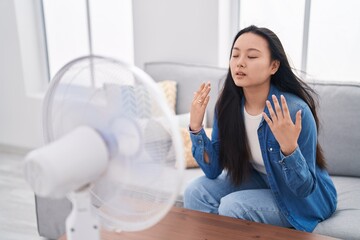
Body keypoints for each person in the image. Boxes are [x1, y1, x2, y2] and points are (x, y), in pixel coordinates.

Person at [184, 25, 337, 232]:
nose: (240, 63)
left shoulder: (294, 111)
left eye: (252, 56)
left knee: (233, 206)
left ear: (273, 66)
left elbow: (303, 188)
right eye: (235, 55)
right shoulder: (227, 106)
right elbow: (213, 171)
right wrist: (196, 128)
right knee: (195, 191)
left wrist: (289, 149)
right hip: (259, 181)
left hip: (306, 198)